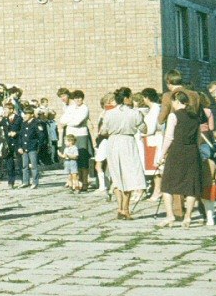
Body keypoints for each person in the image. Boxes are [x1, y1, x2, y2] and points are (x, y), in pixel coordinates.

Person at [156, 90, 203, 228]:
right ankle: (187, 217)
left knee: (167, 185)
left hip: (177, 151)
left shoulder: (173, 116)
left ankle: (170, 216)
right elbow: (198, 138)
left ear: (176, 100)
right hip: (193, 151)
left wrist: (161, 155)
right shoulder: (195, 117)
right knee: (190, 186)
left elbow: (169, 137)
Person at [100, 87, 146, 220]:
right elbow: (144, 128)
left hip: (113, 142)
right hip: (127, 142)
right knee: (129, 175)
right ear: (126, 98)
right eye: (130, 96)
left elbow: (103, 131)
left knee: (116, 175)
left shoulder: (109, 113)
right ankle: (125, 209)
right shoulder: (134, 113)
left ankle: (119, 207)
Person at [59, 90, 92, 192]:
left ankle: (84, 182)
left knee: (82, 159)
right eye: (76, 98)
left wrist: (69, 120)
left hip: (81, 134)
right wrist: (70, 120)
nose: (78, 100)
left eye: (80, 98)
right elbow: (62, 120)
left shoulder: (84, 108)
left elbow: (77, 122)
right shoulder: (70, 108)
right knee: (72, 160)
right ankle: (76, 183)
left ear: (83, 99)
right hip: (71, 135)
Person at [17, 106, 46, 189]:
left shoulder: (36, 123)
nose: (25, 115)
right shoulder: (24, 123)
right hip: (24, 147)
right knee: (24, 166)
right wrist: (19, 146)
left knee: (33, 166)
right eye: (24, 114)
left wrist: (38, 146)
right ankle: (25, 181)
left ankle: (35, 182)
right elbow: (21, 136)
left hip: (32, 147)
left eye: (26, 114)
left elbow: (41, 136)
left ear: (31, 115)